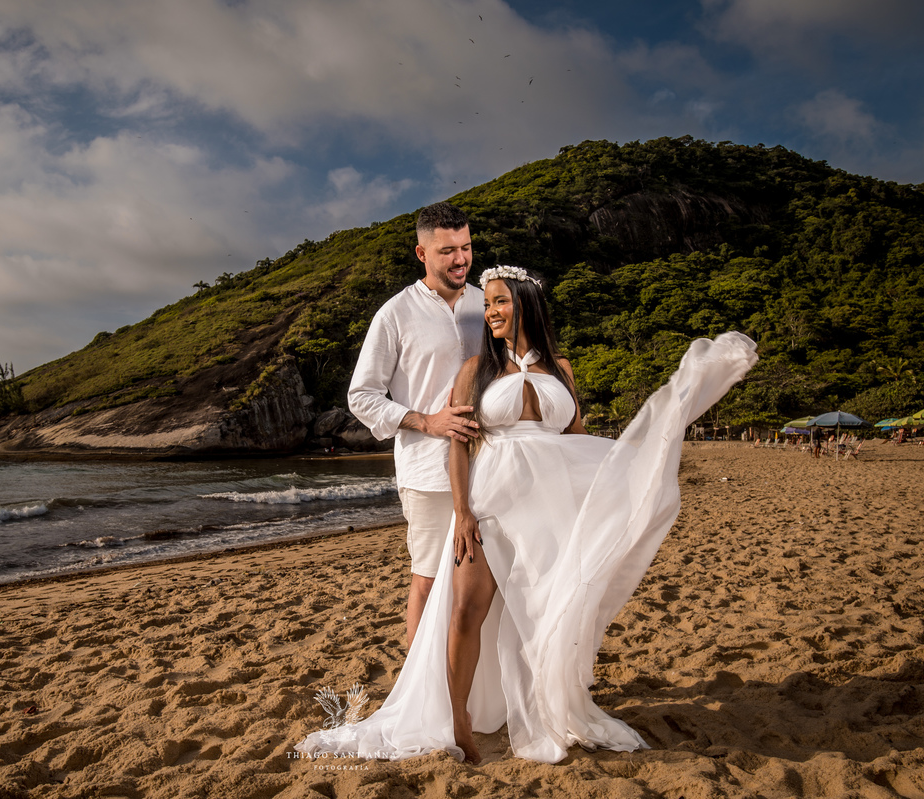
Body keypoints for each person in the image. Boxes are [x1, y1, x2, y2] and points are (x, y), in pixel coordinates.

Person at [299, 266, 757, 765]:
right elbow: (458, 444)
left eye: (500, 302)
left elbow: (575, 439)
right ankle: (458, 722)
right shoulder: (476, 370)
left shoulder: (562, 369)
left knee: (540, 610)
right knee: (465, 610)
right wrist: (462, 511)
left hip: (548, 508)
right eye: (487, 304)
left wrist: (626, 473)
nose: (490, 312)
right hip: (489, 501)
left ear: (526, 304)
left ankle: (541, 702)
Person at [348, 202, 484, 649]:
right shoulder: (395, 314)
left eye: (466, 247)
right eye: (447, 251)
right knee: (429, 578)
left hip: (492, 466)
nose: (460, 259)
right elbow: (361, 395)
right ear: (422, 253)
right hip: (428, 472)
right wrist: (426, 421)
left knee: (486, 578)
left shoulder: (489, 303)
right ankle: (418, 686)